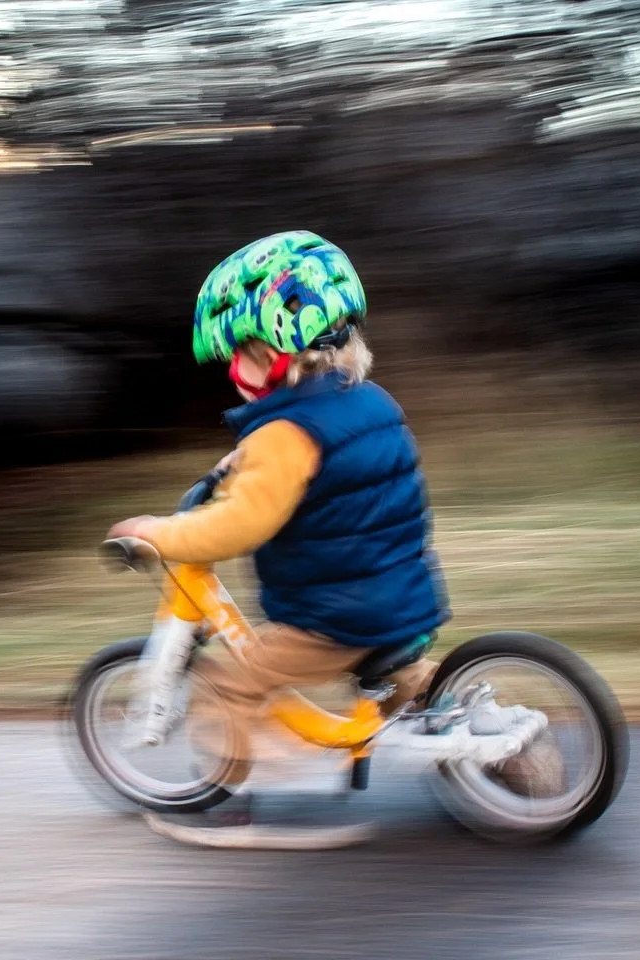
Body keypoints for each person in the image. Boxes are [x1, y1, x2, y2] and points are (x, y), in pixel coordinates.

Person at [107, 230, 452, 816]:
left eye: (238, 352)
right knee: (420, 692)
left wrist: (160, 532)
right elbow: (332, 470)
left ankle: (247, 798)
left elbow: (239, 526)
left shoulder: (284, 437)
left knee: (228, 686)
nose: (231, 369)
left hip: (336, 618)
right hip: (403, 595)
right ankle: (505, 751)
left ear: (277, 351)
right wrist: (241, 460)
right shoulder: (368, 403)